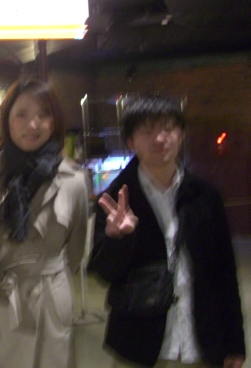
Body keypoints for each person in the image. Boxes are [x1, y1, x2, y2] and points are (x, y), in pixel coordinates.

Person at [89, 93, 246, 368]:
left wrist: (234, 342)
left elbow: (224, 272)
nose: (159, 138)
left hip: (200, 344)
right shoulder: (115, 200)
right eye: (147, 131)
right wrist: (118, 239)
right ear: (131, 141)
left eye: (168, 128)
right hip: (139, 347)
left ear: (181, 135)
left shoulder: (205, 197)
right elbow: (105, 274)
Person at [0, 77, 89, 368]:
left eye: (44, 114)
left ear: (55, 121)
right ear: (7, 121)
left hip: (49, 306)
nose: (33, 124)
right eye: (22, 115)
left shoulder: (74, 179)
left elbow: (75, 253)